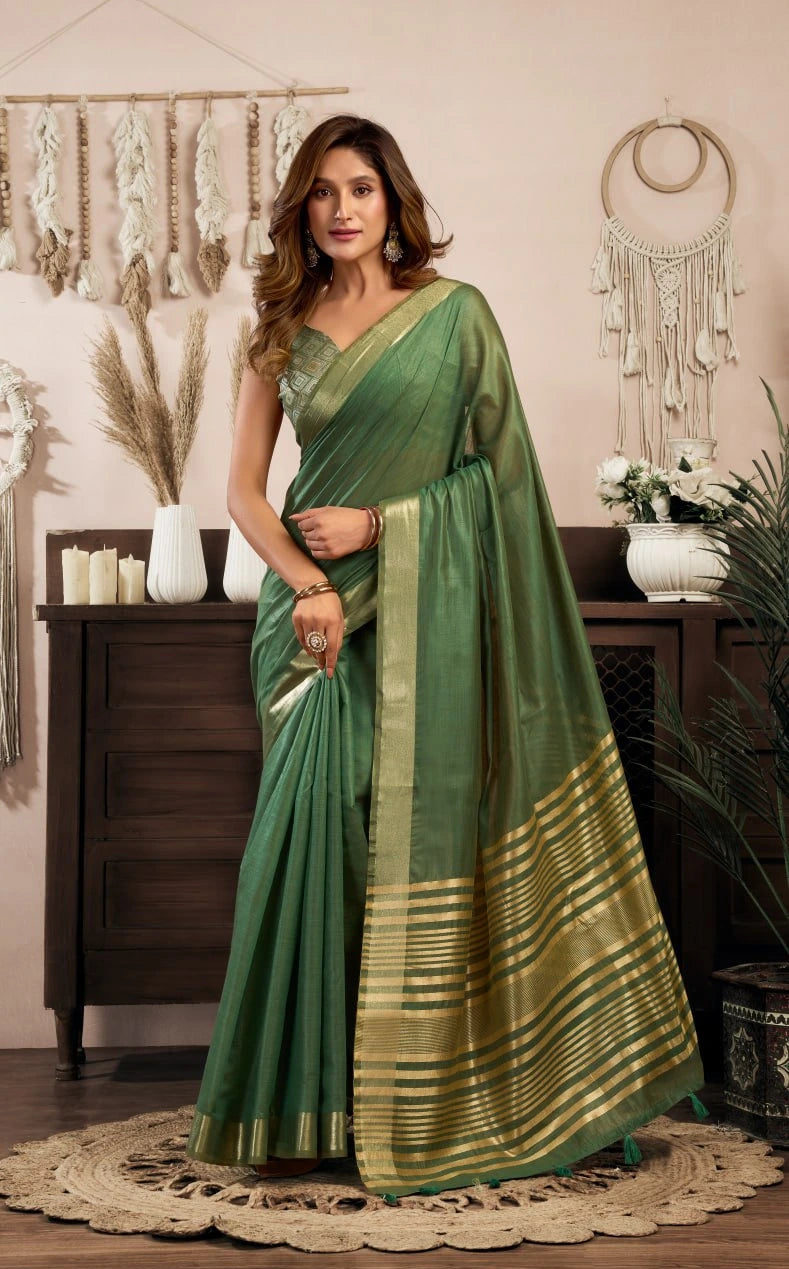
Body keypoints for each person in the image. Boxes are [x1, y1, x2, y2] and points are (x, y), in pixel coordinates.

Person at [185, 114, 705, 1197]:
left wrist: (383, 530)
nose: (341, 209)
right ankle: (300, 1105)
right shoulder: (278, 326)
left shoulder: (453, 317)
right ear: (300, 207)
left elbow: (501, 483)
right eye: (322, 190)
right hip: (313, 628)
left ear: (393, 202)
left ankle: (413, 1100)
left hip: (422, 613)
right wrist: (314, 585)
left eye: (361, 189)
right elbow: (241, 491)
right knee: (310, 836)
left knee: (399, 845)